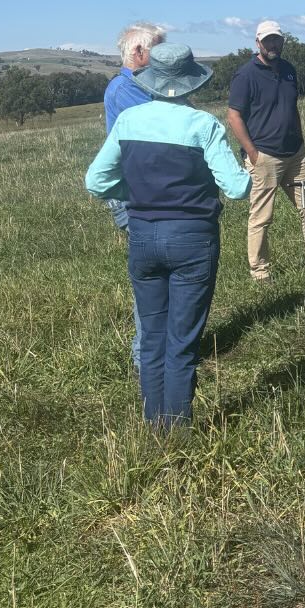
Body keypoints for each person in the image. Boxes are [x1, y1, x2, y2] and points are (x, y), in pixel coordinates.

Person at [85, 43, 251, 429]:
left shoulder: (128, 122)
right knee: (182, 339)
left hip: (143, 237)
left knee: (153, 334)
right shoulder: (203, 125)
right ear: (192, 82)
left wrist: (138, 194)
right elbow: (237, 188)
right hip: (194, 239)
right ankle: (176, 429)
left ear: (152, 80)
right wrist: (246, 173)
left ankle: (152, 423)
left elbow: (96, 182)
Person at [226, 20, 305, 282]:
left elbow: (291, 107)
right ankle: (260, 271)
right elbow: (234, 115)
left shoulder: (289, 70)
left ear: (283, 41)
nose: (273, 44)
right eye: (268, 40)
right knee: (262, 217)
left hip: (296, 155)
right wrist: (252, 153)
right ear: (258, 42)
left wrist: (300, 138)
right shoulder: (245, 75)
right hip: (265, 157)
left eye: (277, 40)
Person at [103, 22, 166, 368]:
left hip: (151, 192)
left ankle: (161, 351)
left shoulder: (144, 86)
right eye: (158, 49)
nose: (164, 56)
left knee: (161, 275)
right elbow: (159, 126)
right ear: (139, 53)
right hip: (136, 196)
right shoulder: (125, 90)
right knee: (151, 279)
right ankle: (146, 357)